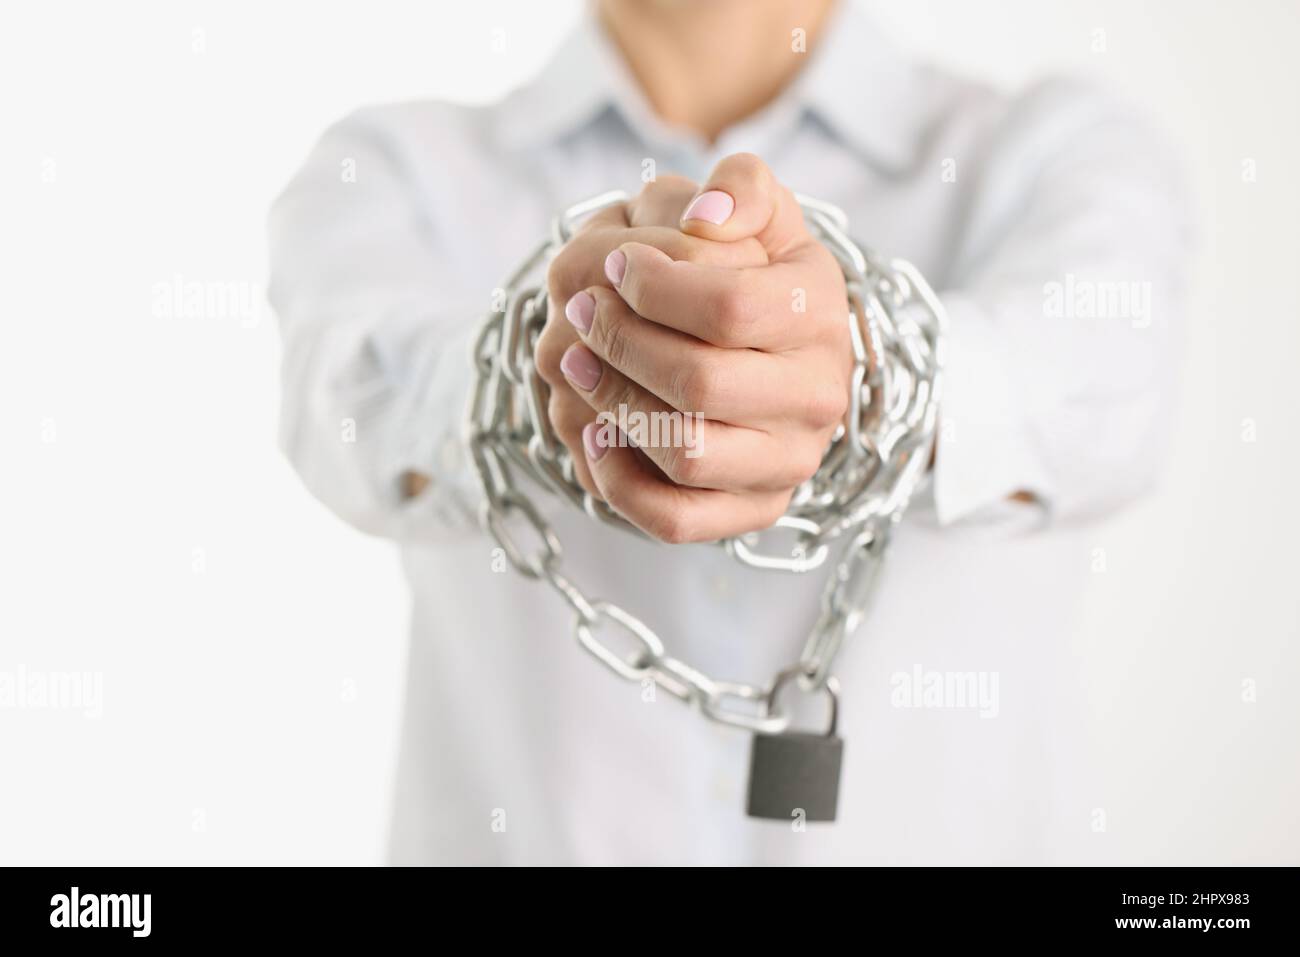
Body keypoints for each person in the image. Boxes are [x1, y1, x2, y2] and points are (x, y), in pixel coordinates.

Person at [269, 0, 1189, 864]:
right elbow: (351, 400)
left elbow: (1107, 388)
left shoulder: (1058, 152)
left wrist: (858, 364)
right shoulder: (393, 169)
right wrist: (554, 354)